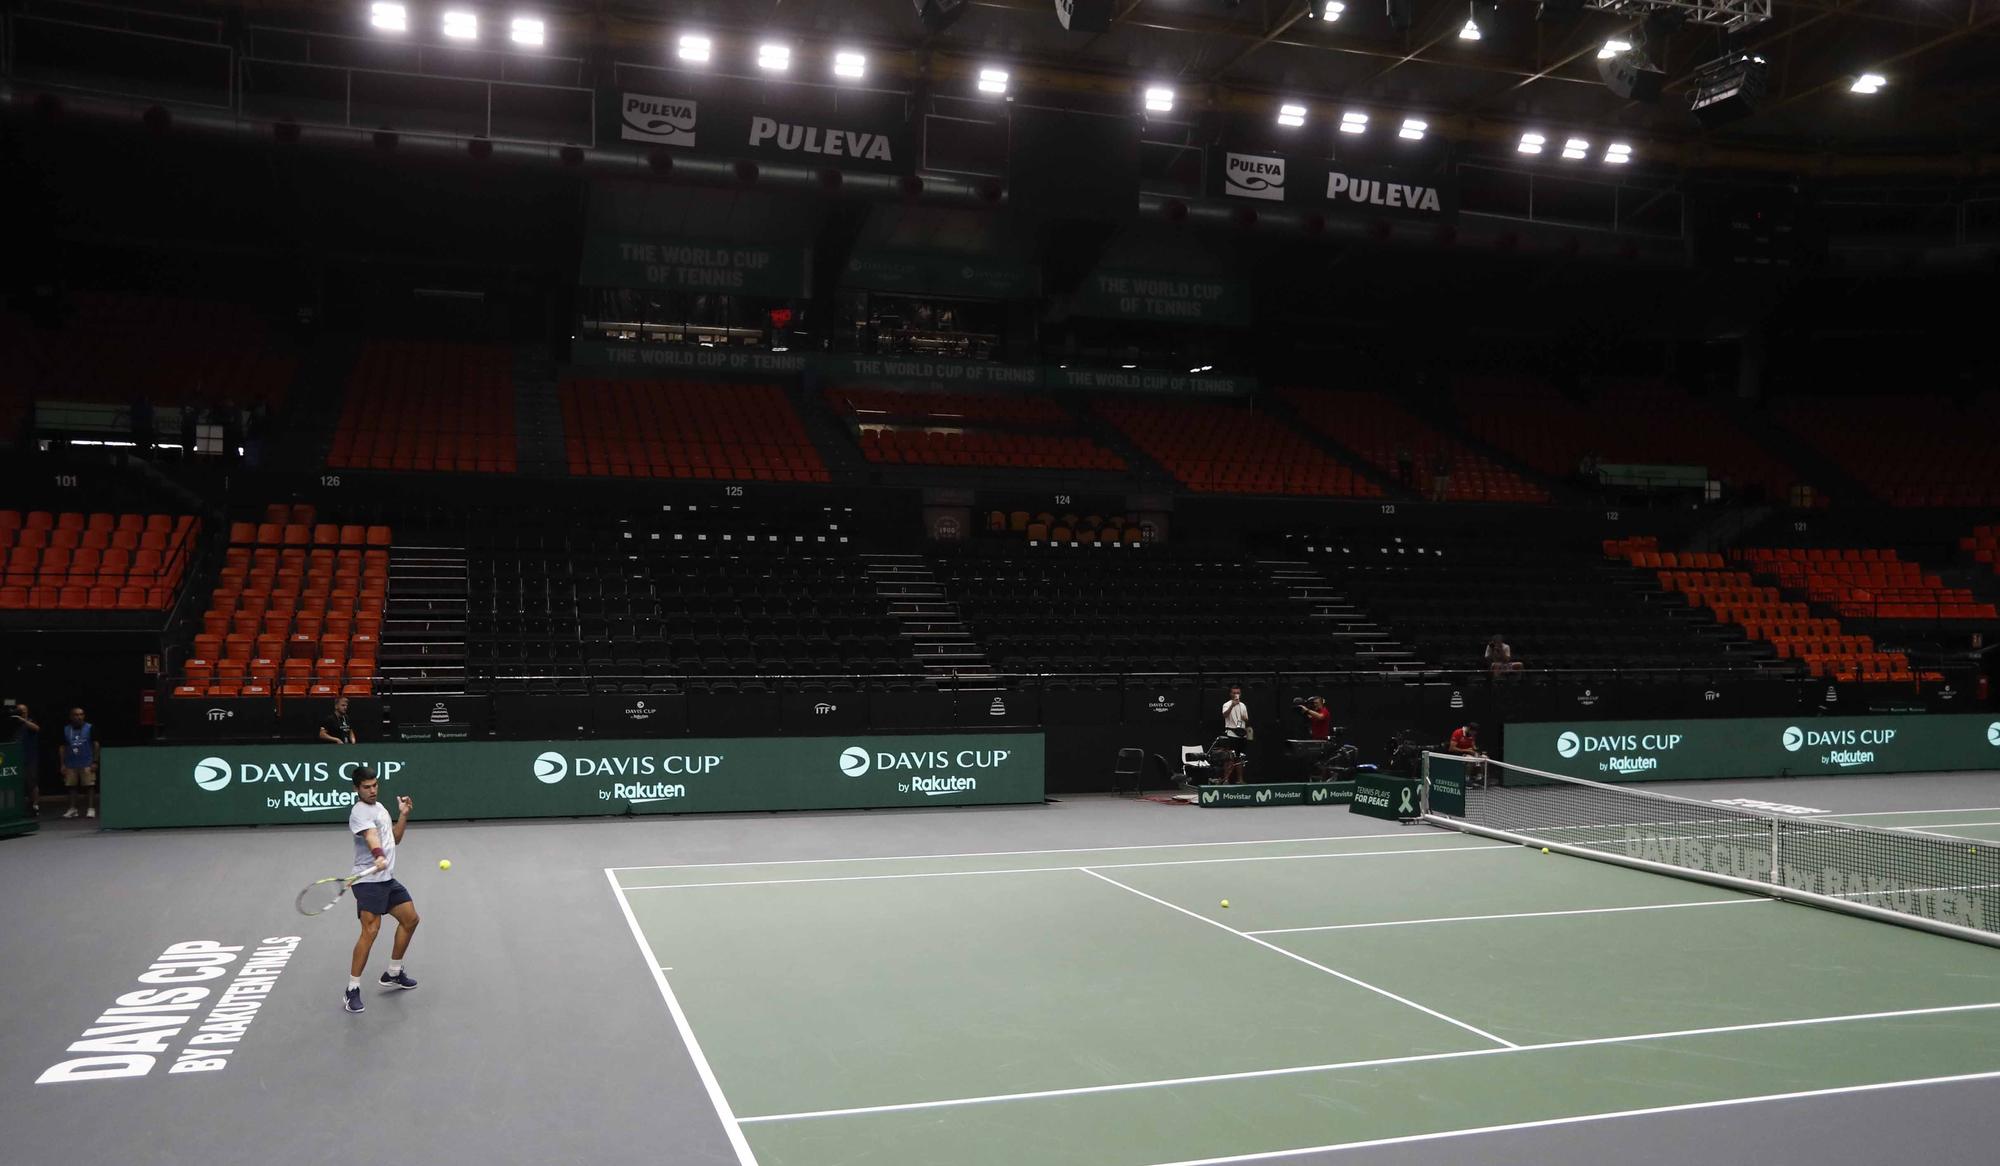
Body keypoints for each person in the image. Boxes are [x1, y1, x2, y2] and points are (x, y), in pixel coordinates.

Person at [344, 768, 419, 1014]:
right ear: (357, 789)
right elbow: (371, 836)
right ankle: (352, 989)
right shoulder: (359, 812)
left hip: (386, 879)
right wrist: (377, 855)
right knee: (371, 931)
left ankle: (393, 973)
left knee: (410, 920)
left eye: (375, 785)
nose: (373, 790)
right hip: (367, 883)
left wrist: (403, 815)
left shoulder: (381, 808)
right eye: (366, 787)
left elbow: (394, 839)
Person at [60, 707, 100, 820]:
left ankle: (91, 809)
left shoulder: (90, 727)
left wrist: (95, 761)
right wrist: (62, 764)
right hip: (71, 762)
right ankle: (73, 809)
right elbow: (62, 747)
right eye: (76, 715)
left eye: (81, 714)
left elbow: (96, 745)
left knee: (89, 786)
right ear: (71, 716)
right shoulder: (66, 729)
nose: (79, 717)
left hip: (87, 761)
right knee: (71, 786)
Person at [8, 702, 40, 817]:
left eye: (23, 711)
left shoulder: (29, 721)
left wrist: (23, 720)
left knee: (31, 782)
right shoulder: (14, 724)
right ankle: (20, 806)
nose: (21, 713)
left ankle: (35, 805)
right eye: (19, 711)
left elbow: (37, 728)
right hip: (16, 758)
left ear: (26, 712)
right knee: (18, 783)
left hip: (30, 757)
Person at [1219, 685, 1250, 784]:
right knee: (1229, 758)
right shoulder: (1227, 704)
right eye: (1234, 692)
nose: (1236, 694)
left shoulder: (1243, 705)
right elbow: (1224, 715)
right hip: (1231, 734)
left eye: (1238, 693)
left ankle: (1240, 779)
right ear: (1230, 694)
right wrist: (1232, 705)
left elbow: (1246, 719)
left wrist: (1244, 717)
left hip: (1241, 734)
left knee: (1240, 758)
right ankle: (1226, 779)